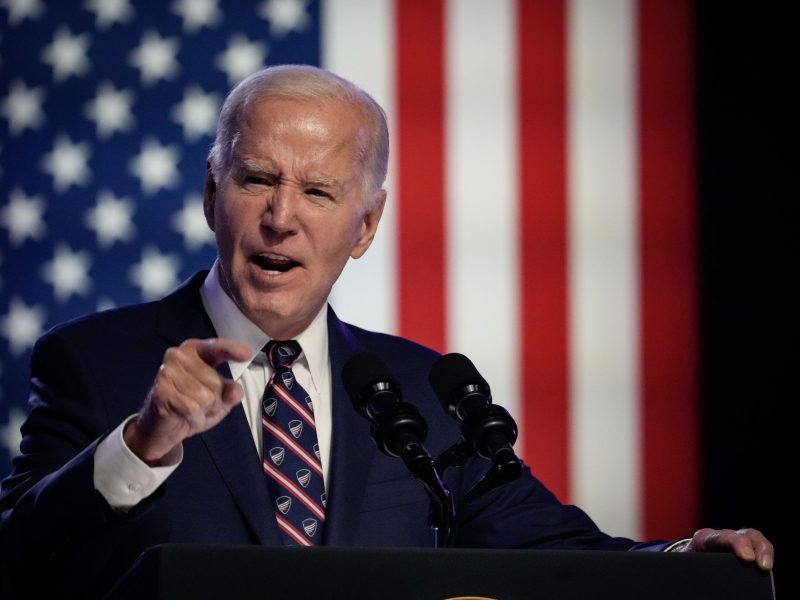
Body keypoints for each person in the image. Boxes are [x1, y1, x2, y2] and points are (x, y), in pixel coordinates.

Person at [0, 64, 774, 598]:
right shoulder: (94, 361)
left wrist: (683, 559)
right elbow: (18, 564)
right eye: (257, 179)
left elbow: (552, 551)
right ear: (212, 194)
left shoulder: (420, 393)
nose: (281, 216)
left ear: (366, 225)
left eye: (319, 191)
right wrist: (141, 445)